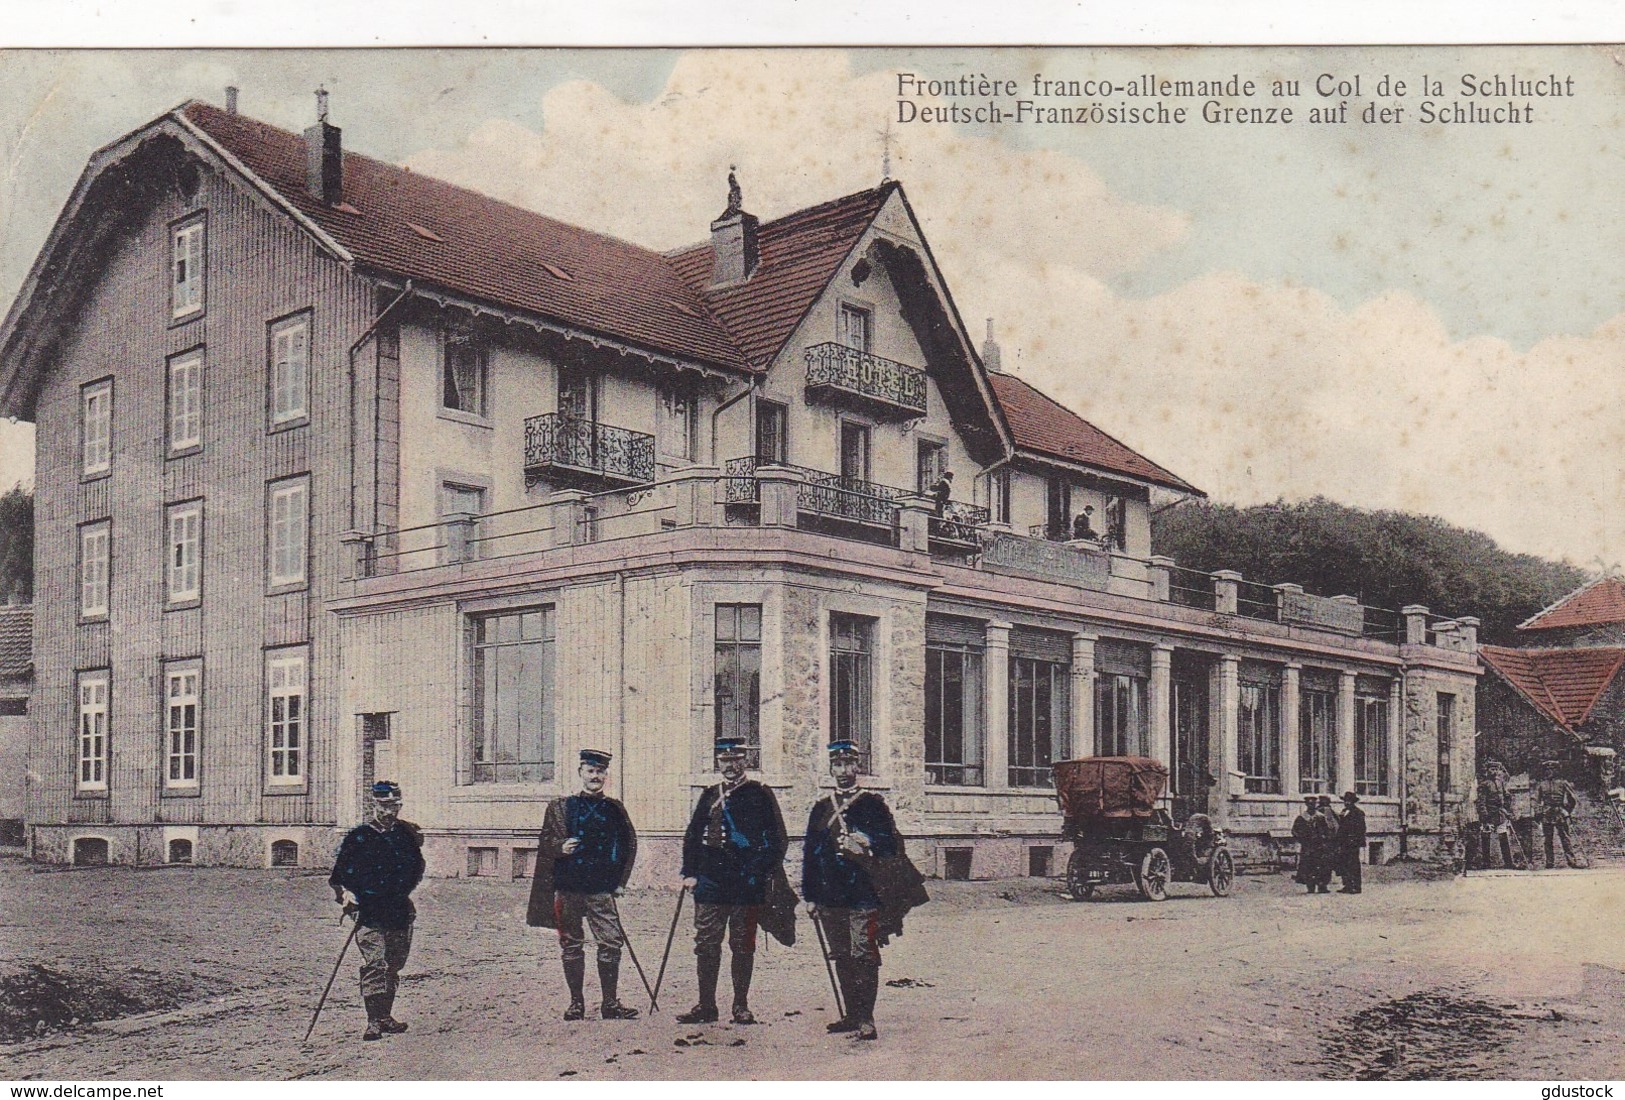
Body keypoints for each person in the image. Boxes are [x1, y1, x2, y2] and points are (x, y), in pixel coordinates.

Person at [677, 736, 789, 1025]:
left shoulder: (760, 794)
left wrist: (759, 872)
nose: (730, 765)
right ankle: (706, 1006)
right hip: (710, 881)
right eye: (724, 760)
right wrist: (690, 873)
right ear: (718, 762)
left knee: (742, 944)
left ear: (745, 761)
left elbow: (778, 841)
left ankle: (740, 1005)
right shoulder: (709, 795)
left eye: (735, 760)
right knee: (706, 942)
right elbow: (692, 835)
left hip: (745, 883)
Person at [527, 748, 641, 1020]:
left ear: (605, 775)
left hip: (601, 888)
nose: (595, 776)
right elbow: (545, 843)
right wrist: (560, 847)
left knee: (611, 942)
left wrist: (620, 882)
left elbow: (628, 845)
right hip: (568, 887)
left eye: (600, 771)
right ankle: (576, 1003)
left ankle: (610, 1004)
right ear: (580, 773)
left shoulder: (614, 808)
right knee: (571, 944)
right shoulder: (561, 807)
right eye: (590, 771)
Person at [803, 740, 899, 1041]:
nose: (843, 770)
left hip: (863, 892)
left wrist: (868, 840)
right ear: (831, 768)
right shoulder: (821, 809)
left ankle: (867, 1018)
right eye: (837, 765)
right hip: (831, 894)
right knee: (842, 954)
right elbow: (811, 853)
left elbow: (892, 844)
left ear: (858, 766)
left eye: (848, 764)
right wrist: (810, 895)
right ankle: (850, 1014)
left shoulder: (873, 805)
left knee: (864, 954)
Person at [329, 780, 425, 1041]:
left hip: (399, 911)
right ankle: (372, 1021)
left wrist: (400, 889)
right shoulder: (359, 837)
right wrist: (349, 902)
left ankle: (385, 1016)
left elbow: (417, 869)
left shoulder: (405, 836)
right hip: (368, 913)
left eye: (394, 805)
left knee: (394, 964)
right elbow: (338, 878)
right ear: (374, 804)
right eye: (383, 805)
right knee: (375, 963)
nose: (389, 811)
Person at [1534, 760, 1581, 869]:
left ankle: (1572, 861)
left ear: (1556, 771)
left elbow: (1572, 799)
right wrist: (1539, 813)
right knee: (1547, 839)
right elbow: (1536, 800)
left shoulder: (1563, 783)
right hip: (1547, 814)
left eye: (1552, 769)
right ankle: (1549, 862)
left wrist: (1567, 811)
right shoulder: (1542, 785)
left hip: (1560, 813)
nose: (1549, 771)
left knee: (1565, 838)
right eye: (1547, 769)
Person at [1476, 760, 1515, 868]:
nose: (1494, 772)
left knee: (1503, 836)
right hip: (1489, 815)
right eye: (1492, 769)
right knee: (1486, 837)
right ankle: (1486, 863)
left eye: (1496, 769)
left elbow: (1506, 797)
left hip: (1500, 814)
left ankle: (1508, 863)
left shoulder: (1500, 783)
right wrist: (1484, 816)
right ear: (1487, 771)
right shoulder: (1484, 785)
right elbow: (1481, 802)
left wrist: (1508, 808)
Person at [1291, 795, 1329, 894]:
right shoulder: (1301, 818)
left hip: (1319, 846)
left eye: (1313, 804)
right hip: (1308, 846)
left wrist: (1324, 838)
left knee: (1321, 866)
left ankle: (1322, 886)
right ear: (1306, 805)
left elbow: (1326, 831)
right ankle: (1310, 886)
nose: (1311, 806)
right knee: (1308, 866)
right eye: (1309, 804)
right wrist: (1302, 839)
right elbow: (1294, 831)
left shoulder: (1320, 817)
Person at [1335, 792, 1367, 894]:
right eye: (1345, 801)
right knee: (1344, 864)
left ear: (1353, 802)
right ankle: (1347, 885)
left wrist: (1356, 840)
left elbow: (1362, 828)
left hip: (1353, 842)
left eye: (1349, 801)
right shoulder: (1343, 812)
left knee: (1353, 864)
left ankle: (1356, 886)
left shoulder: (1358, 813)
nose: (1346, 803)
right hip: (1344, 842)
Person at [1315, 795, 1341, 892]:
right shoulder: (1327, 811)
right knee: (1326, 865)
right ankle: (1322, 885)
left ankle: (1316, 885)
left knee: (1318, 864)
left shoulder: (1314, 811)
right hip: (1327, 843)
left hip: (1318, 844)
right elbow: (1333, 827)